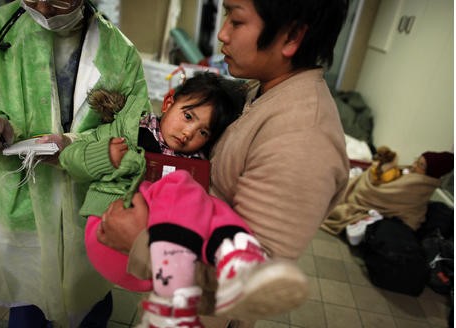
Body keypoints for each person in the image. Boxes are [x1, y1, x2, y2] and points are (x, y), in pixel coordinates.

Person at [97, 0, 350, 326]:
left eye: (237, 19)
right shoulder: (260, 90)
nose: (222, 33)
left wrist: (139, 243)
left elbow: (251, 283)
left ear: (292, 37)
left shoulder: (303, 137)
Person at [59, 72, 309, 327]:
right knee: (181, 186)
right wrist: (105, 155)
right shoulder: (127, 130)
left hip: (148, 257)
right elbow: (70, 158)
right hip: (108, 230)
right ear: (168, 103)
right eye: (188, 116)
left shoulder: (198, 160)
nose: (189, 133)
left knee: (209, 205)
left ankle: (238, 255)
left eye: (203, 132)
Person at [0, 0, 151, 327]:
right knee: (28, 307)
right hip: (23, 207)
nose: (44, 8)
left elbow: (136, 132)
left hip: (89, 207)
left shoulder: (119, 53)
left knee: (90, 304)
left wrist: (73, 147)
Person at [322, 150, 454, 236]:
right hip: (374, 196)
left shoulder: (419, 185)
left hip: (377, 201)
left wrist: (368, 179)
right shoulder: (410, 172)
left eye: (420, 165)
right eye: (416, 161)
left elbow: (381, 194)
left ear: (431, 172)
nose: (414, 165)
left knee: (340, 195)